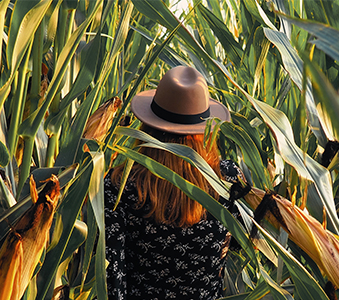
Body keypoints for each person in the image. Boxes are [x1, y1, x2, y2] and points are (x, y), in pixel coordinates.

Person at [104, 66, 243, 299]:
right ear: (206, 130)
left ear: (147, 126)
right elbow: (241, 242)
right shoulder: (227, 180)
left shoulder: (120, 186)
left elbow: (113, 273)